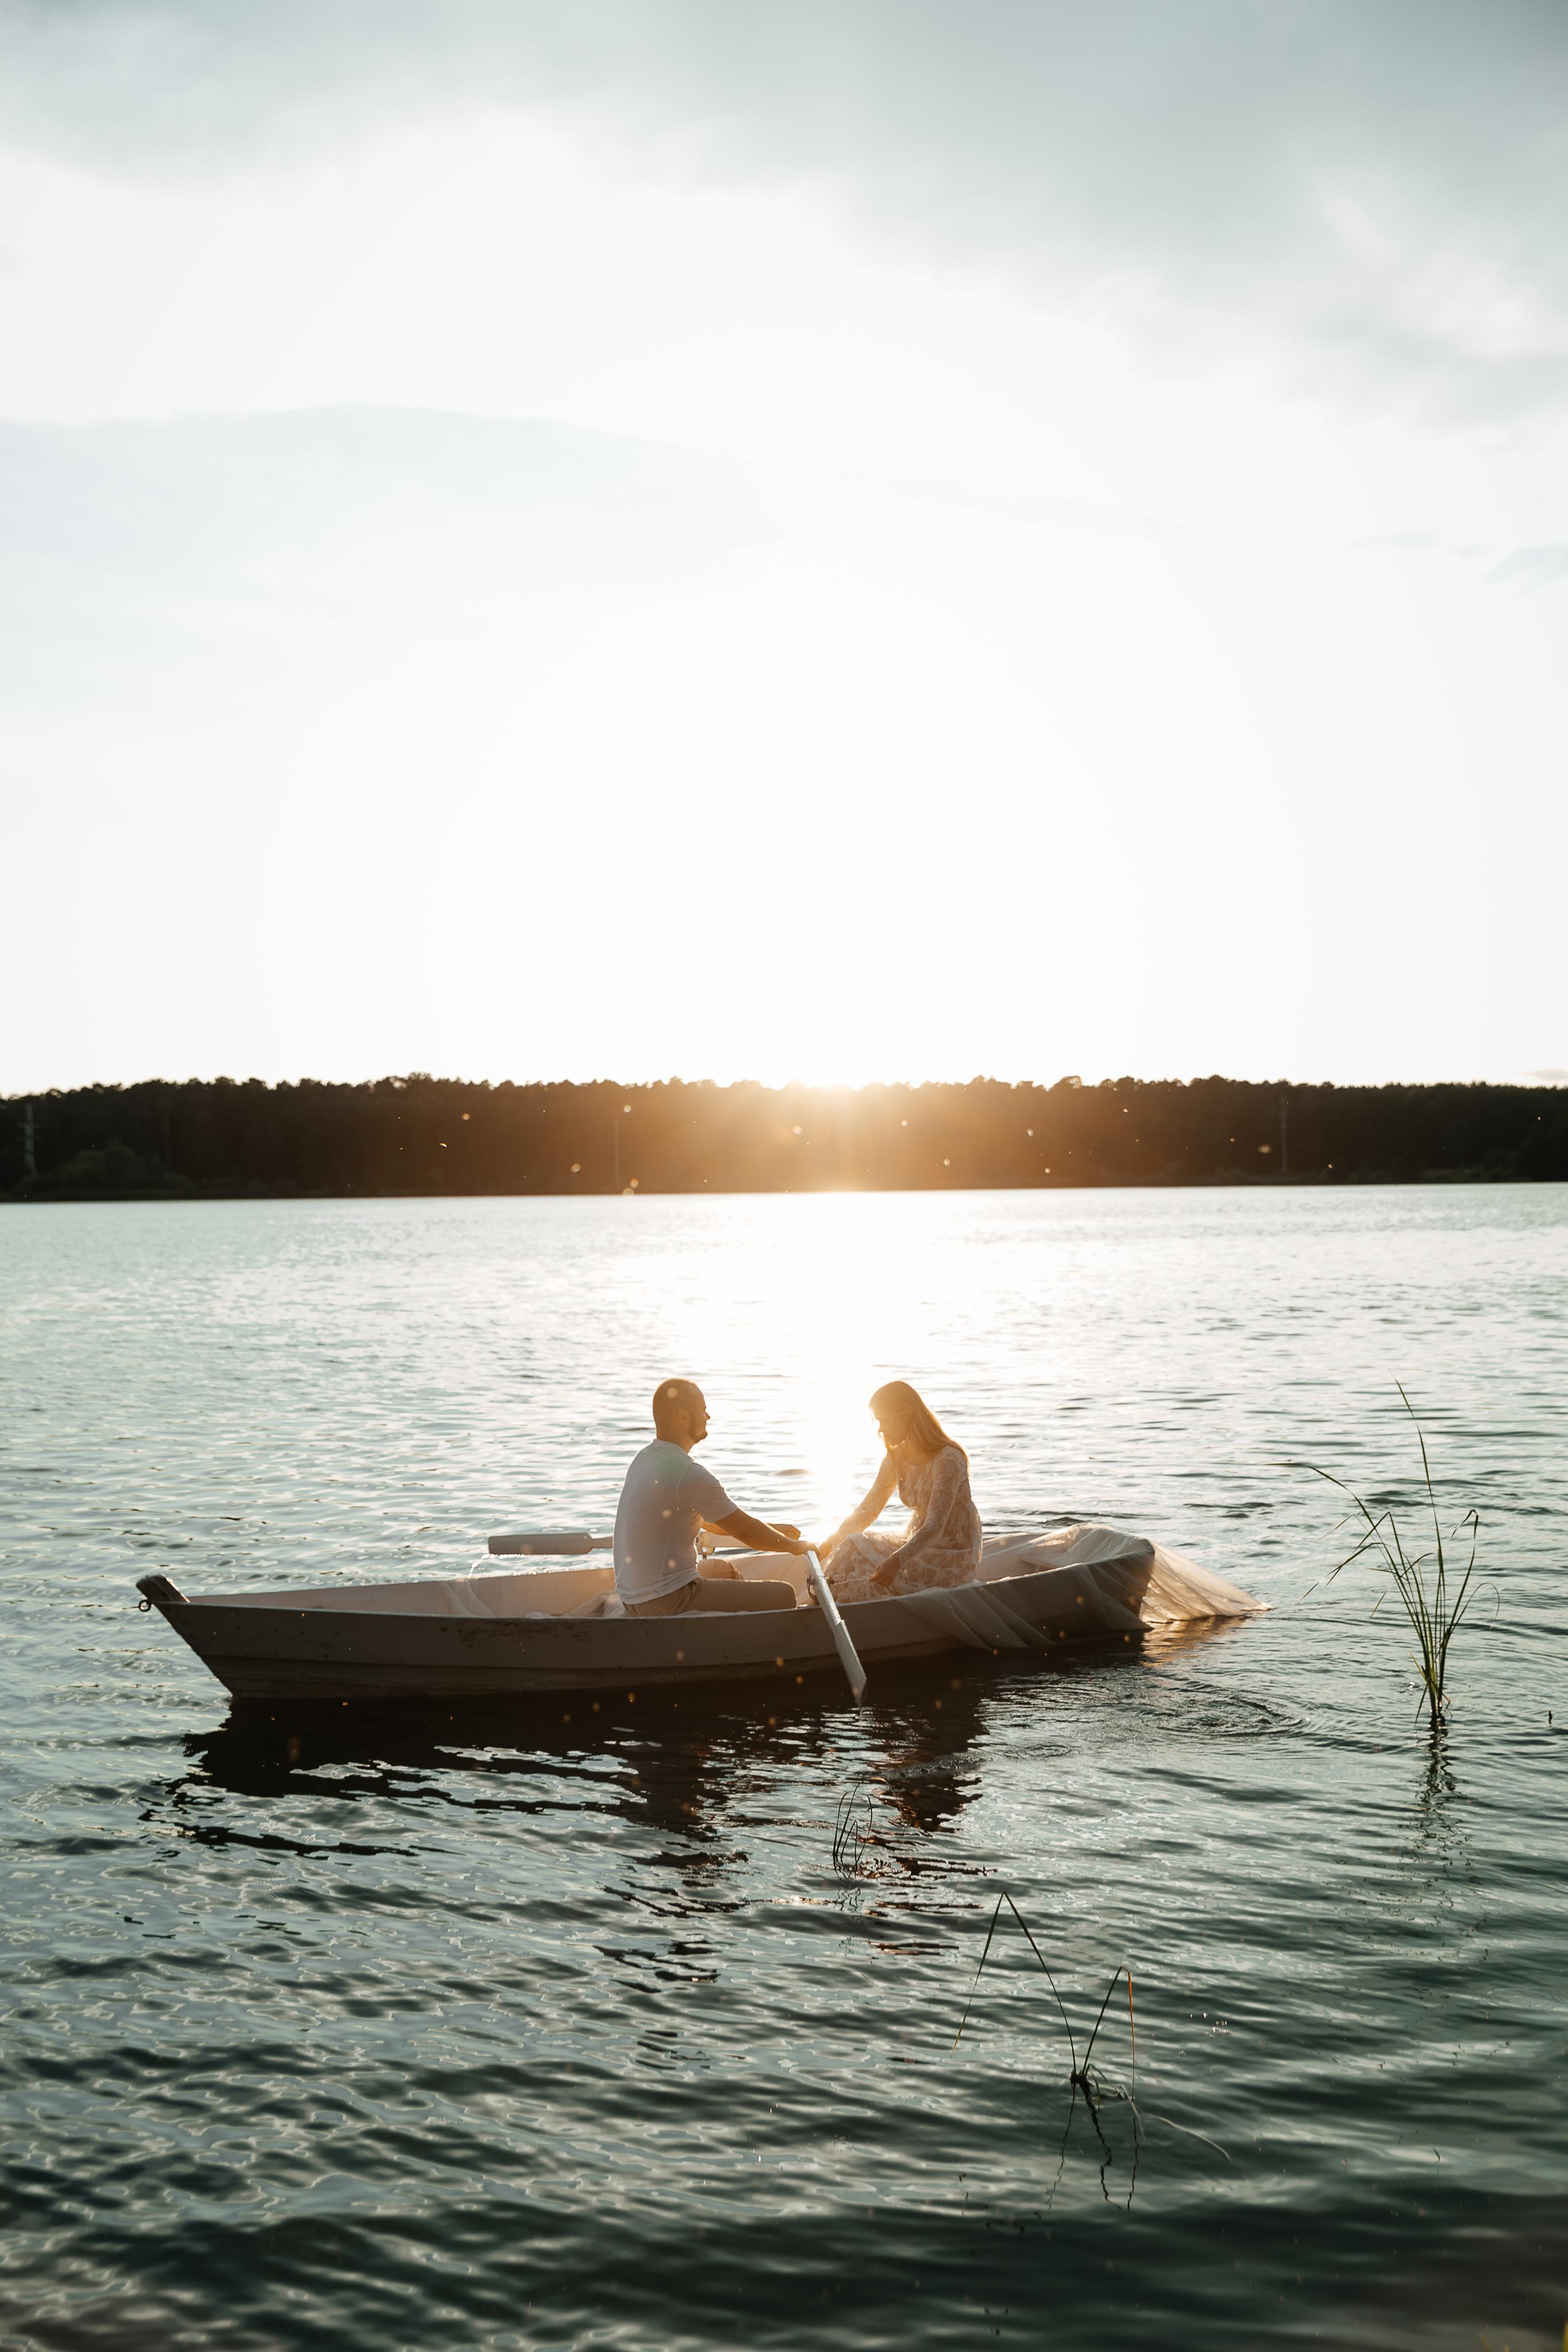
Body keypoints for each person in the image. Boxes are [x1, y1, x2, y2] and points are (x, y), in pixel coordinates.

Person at [613, 1379, 805, 1616]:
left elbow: (711, 1521)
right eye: (703, 1410)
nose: (708, 1417)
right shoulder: (689, 1474)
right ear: (684, 1418)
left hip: (634, 1597)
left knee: (723, 1569)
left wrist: (775, 1530)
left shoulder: (644, 1459)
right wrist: (797, 1547)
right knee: (784, 1595)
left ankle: (737, 1621)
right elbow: (747, 1533)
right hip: (668, 1598)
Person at [820, 1381, 982, 1602]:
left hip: (951, 1556)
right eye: (879, 1421)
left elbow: (936, 1524)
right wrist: (828, 1545)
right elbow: (867, 1511)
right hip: (919, 1545)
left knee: (858, 1551)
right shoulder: (896, 1458)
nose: (881, 1429)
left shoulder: (948, 1459)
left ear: (906, 1415)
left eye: (885, 1420)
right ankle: (824, 1603)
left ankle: (836, 1609)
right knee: (850, 1545)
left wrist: (896, 1561)